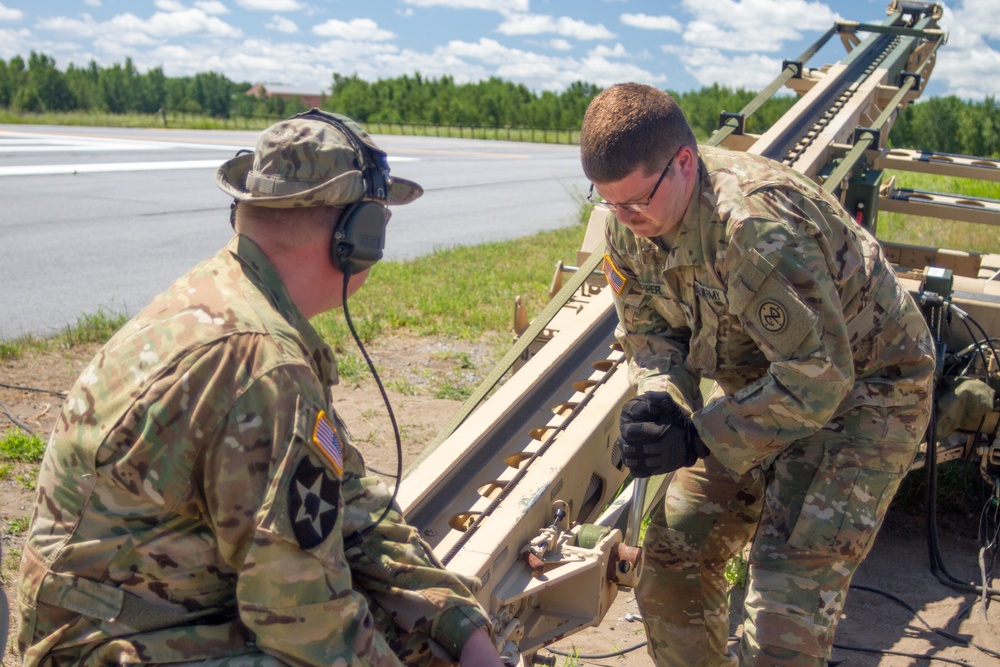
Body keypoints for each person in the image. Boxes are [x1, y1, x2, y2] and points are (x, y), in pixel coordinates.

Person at [18, 109, 503, 667]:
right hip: (102, 648)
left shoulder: (223, 297)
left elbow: (345, 501)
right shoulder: (265, 366)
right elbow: (306, 621)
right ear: (358, 238)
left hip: (114, 620)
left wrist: (457, 625)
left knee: (418, 636)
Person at [580, 83, 935, 666]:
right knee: (669, 561)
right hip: (758, 389)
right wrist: (661, 399)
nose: (625, 217)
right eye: (609, 203)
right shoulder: (629, 223)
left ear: (685, 163)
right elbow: (651, 334)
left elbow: (821, 377)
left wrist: (699, 436)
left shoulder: (754, 227)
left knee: (782, 617)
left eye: (636, 201)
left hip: (867, 398)